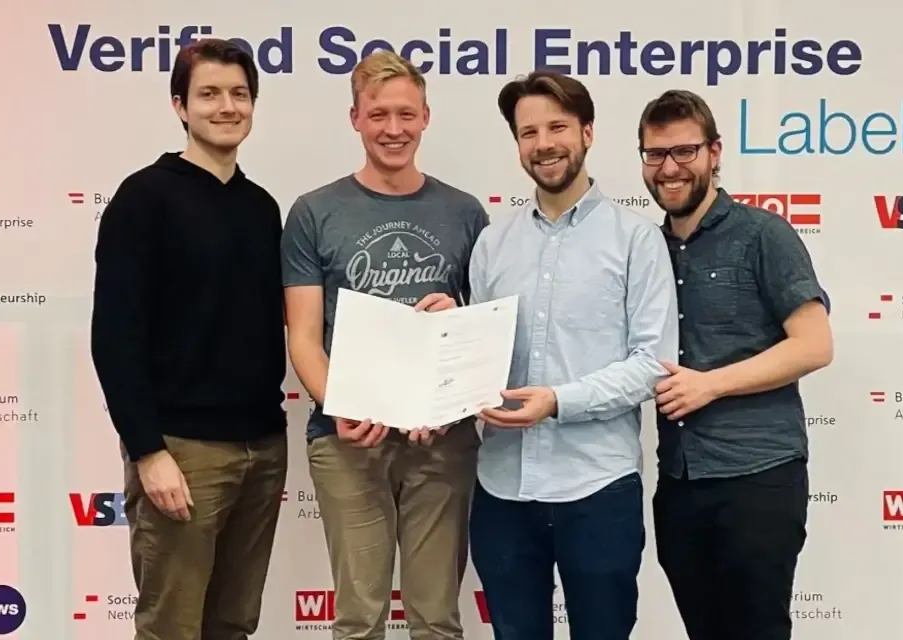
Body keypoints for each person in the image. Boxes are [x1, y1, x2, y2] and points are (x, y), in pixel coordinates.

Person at [280, 50, 489, 640]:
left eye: (405, 114)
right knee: (358, 621)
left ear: (426, 117)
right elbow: (303, 336)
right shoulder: (314, 213)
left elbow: (481, 333)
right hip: (348, 440)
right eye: (378, 115)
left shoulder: (465, 213)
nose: (393, 129)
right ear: (355, 119)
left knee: (437, 620)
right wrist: (340, 405)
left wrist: (458, 319)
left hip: (442, 441)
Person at [467, 70, 679, 640]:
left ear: (587, 132)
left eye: (557, 127)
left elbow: (651, 364)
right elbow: (478, 356)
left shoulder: (636, 239)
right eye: (528, 132)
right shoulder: (492, 243)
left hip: (597, 489)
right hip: (502, 489)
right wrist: (442, 338)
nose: (543, 144)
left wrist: (558, 401)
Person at [89, 39, 288, 640]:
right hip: (182, 451)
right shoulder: (143, 198)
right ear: (180, 105)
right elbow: (114, 335)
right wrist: (148, 452)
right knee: (171, 627)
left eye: (239, 94)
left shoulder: (262, 207)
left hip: (263, 448)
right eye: (209, 94)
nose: (227, 106)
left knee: (232, 624)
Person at [639, 89, 834, 640]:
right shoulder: (646, 250)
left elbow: (814, 344)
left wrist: (711, 386)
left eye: (685, 151)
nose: (670, 168)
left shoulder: (763, 234)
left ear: (714, 152)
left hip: (758, 477)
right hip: (680, 481)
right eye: (656, 154)